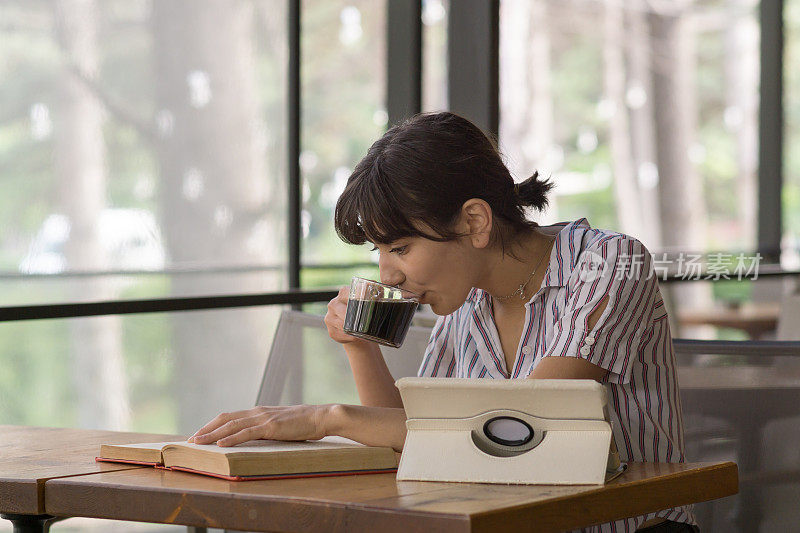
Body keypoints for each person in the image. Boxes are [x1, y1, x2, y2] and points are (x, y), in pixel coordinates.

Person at [189, 112, 696, 533]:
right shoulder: (465, 300)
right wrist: (359, 349)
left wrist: (329, 418)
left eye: (401, 247)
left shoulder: (609, 263)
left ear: (474, 222)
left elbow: (521, 427)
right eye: (380, 251)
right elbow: (414, 434)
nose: (387, 273)